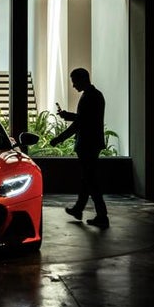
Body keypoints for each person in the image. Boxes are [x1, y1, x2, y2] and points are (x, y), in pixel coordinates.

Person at [50, 67, 109, 227]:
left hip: (87, 144)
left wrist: (59, 139)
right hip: (92, 143)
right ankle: (79, 209)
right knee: (88, 179)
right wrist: (67, 115)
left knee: (91, 180)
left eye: (74, 82)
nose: (74, 85)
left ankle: (102, 216)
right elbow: (84, 119)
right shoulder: (95, 95)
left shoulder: (88, 97)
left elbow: (80, 124)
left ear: (82, 80)